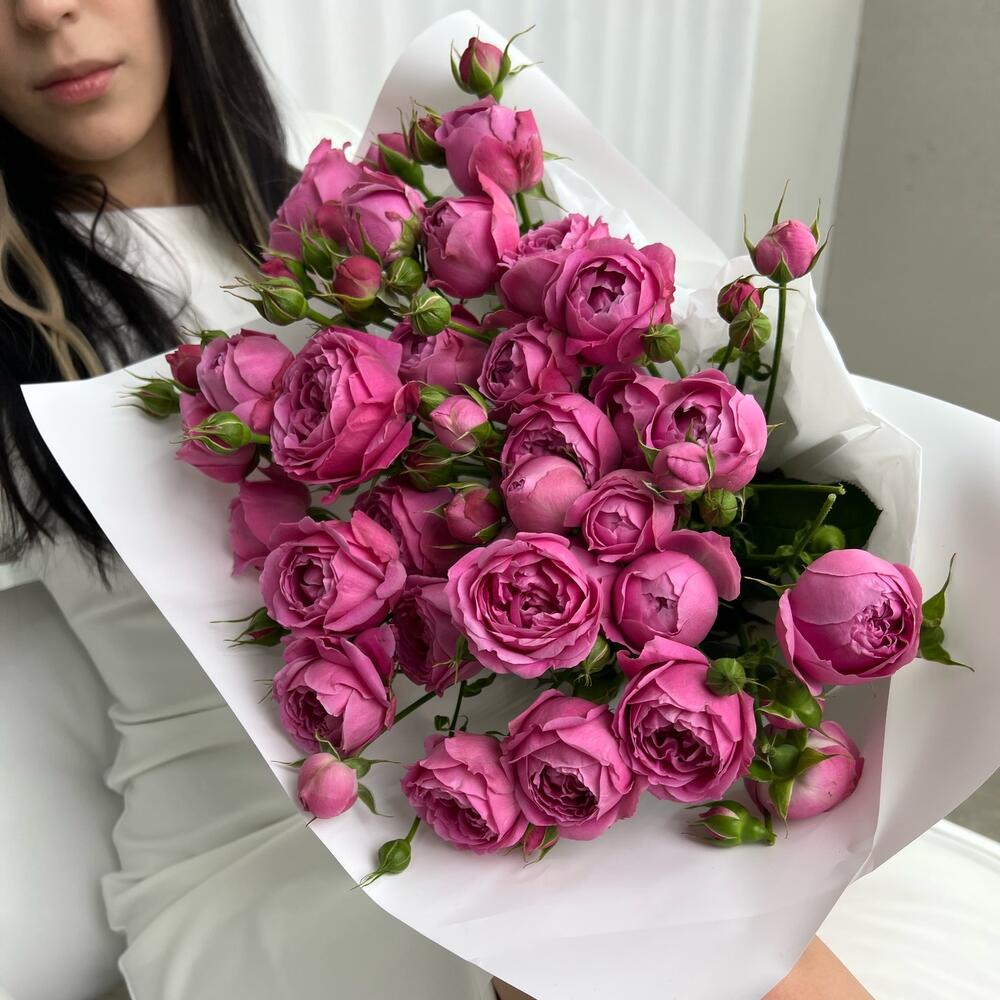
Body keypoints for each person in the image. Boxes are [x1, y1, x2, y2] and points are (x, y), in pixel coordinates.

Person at [0, 2, 873, 998]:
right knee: (626, 945)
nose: (45, 10)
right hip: (247, 857)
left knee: (702, 925)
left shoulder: (361, 204)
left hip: (487, 782)